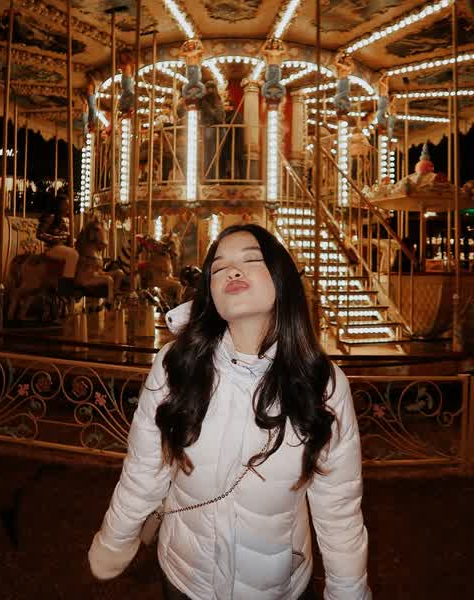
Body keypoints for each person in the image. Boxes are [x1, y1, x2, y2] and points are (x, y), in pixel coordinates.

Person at [88, 224, 371, 600]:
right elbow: (144, 468)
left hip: (277, 586)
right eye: (219, 268)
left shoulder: (323, 383)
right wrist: (116, 538)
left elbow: (338, 506)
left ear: (281, 278)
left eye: (250, 260)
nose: (232, 271)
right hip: (186, 577)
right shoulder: (177, 365)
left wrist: (348, 590)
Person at [36, 194, 79, 296]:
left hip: (65, 247)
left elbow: (67, 235)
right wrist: (57, 239)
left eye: (68, 204)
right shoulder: (52, 217)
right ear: (59, 205)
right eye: (65, 204)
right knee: (73, 255)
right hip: (53, 247)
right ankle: (65, 288)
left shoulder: (68, 219)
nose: (68, 206)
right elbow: (39, 234)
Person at [200, 80, 225, 179]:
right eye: (208, 88)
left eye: (212, 88)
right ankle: (210, 177)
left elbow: (219, 116)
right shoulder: (209, 101)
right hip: (212, 128)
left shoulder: (207, 100)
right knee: (211, 155)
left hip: (214, 128)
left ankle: (211, 177)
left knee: (213, 155)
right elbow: (219, 117)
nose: (210, 90)